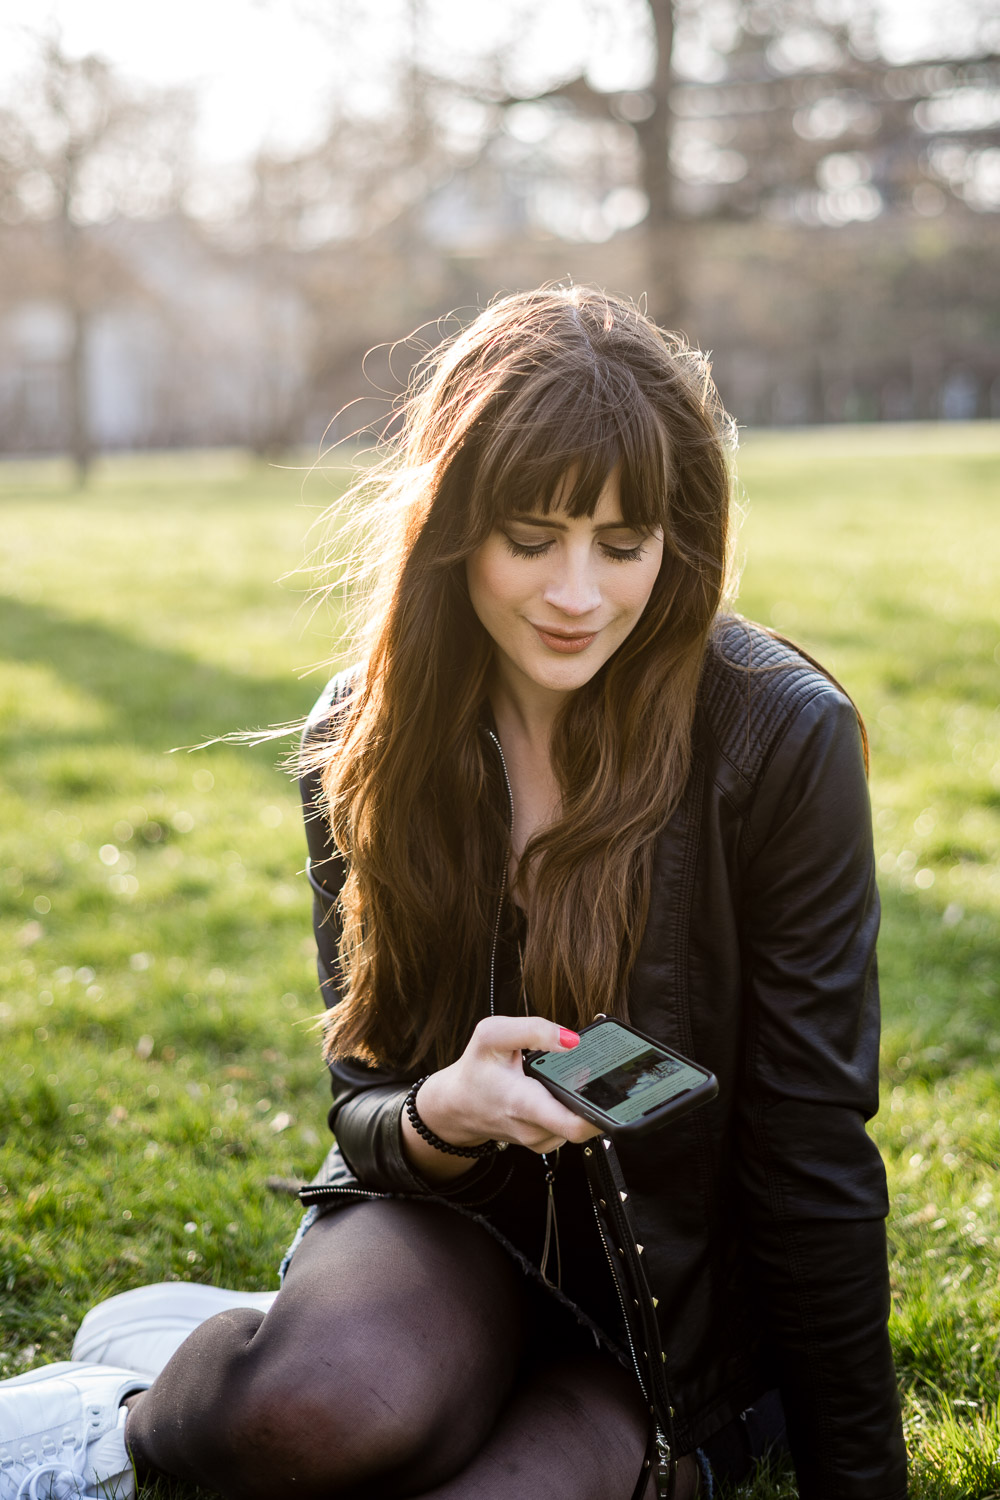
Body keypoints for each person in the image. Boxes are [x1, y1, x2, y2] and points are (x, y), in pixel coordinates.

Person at [0, 286, 908, 1500]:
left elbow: (813, 1147)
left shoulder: (775, 738)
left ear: (674, 541)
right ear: (450, 527)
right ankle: (128, 1405)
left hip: (672, 1301)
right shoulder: (361, 742)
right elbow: (362, 1107)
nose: (576, 593)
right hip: (450, 1227)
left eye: (622, 544)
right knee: (305, 1420)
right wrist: (444, 1111)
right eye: (532, 538)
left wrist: (862, 1477)